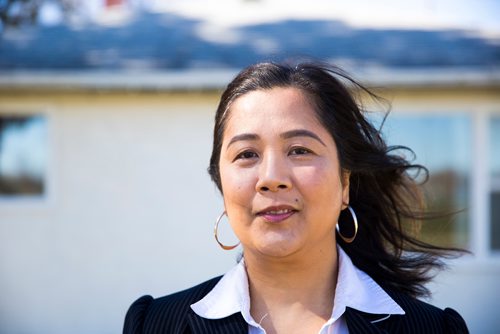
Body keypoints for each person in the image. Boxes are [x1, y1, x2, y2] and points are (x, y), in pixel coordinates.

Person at [123, 62, 469, 334]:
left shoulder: (434, 329)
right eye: (246, 154)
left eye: (299, 150)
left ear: (345, 183)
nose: (272, 178)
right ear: (222, 184)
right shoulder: (153, 324)